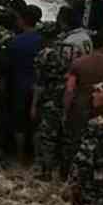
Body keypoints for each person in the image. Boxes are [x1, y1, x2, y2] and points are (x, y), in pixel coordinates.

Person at [64, 30, 103, 153]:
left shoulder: (78, 63)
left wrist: (66, 110)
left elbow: (69, 89)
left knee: (76, 145)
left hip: (80, 109)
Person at [32, 21, 75, 180]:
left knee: (47, 136)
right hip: (65, 97)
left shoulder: (44, 54)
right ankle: (63, 170)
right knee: (62, 135)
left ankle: (46, 171)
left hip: (49, 99)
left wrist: (34, 105)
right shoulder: (66, 51)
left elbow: (39, 83)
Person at [4, 4, 44, 160]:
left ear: (23, 20)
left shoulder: (14, 42)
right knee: (35, 123)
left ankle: (20, 155)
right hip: (37, 86)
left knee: (19, 123)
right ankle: (34, 156)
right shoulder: (43, 41)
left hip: (18, 86)